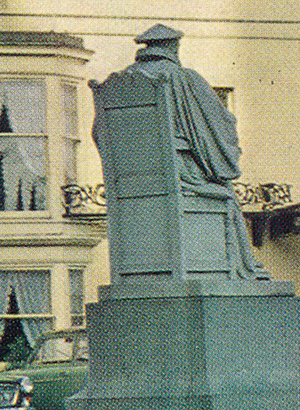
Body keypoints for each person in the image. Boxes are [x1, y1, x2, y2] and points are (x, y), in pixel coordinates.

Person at [106, 23, 269, 280]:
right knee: (226, 193)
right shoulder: (181, 78)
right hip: (182, 178)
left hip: (131, 190)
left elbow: (100, 136)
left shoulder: (115, 85)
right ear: (173, 47)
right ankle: (241, 268)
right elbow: (216, 126)